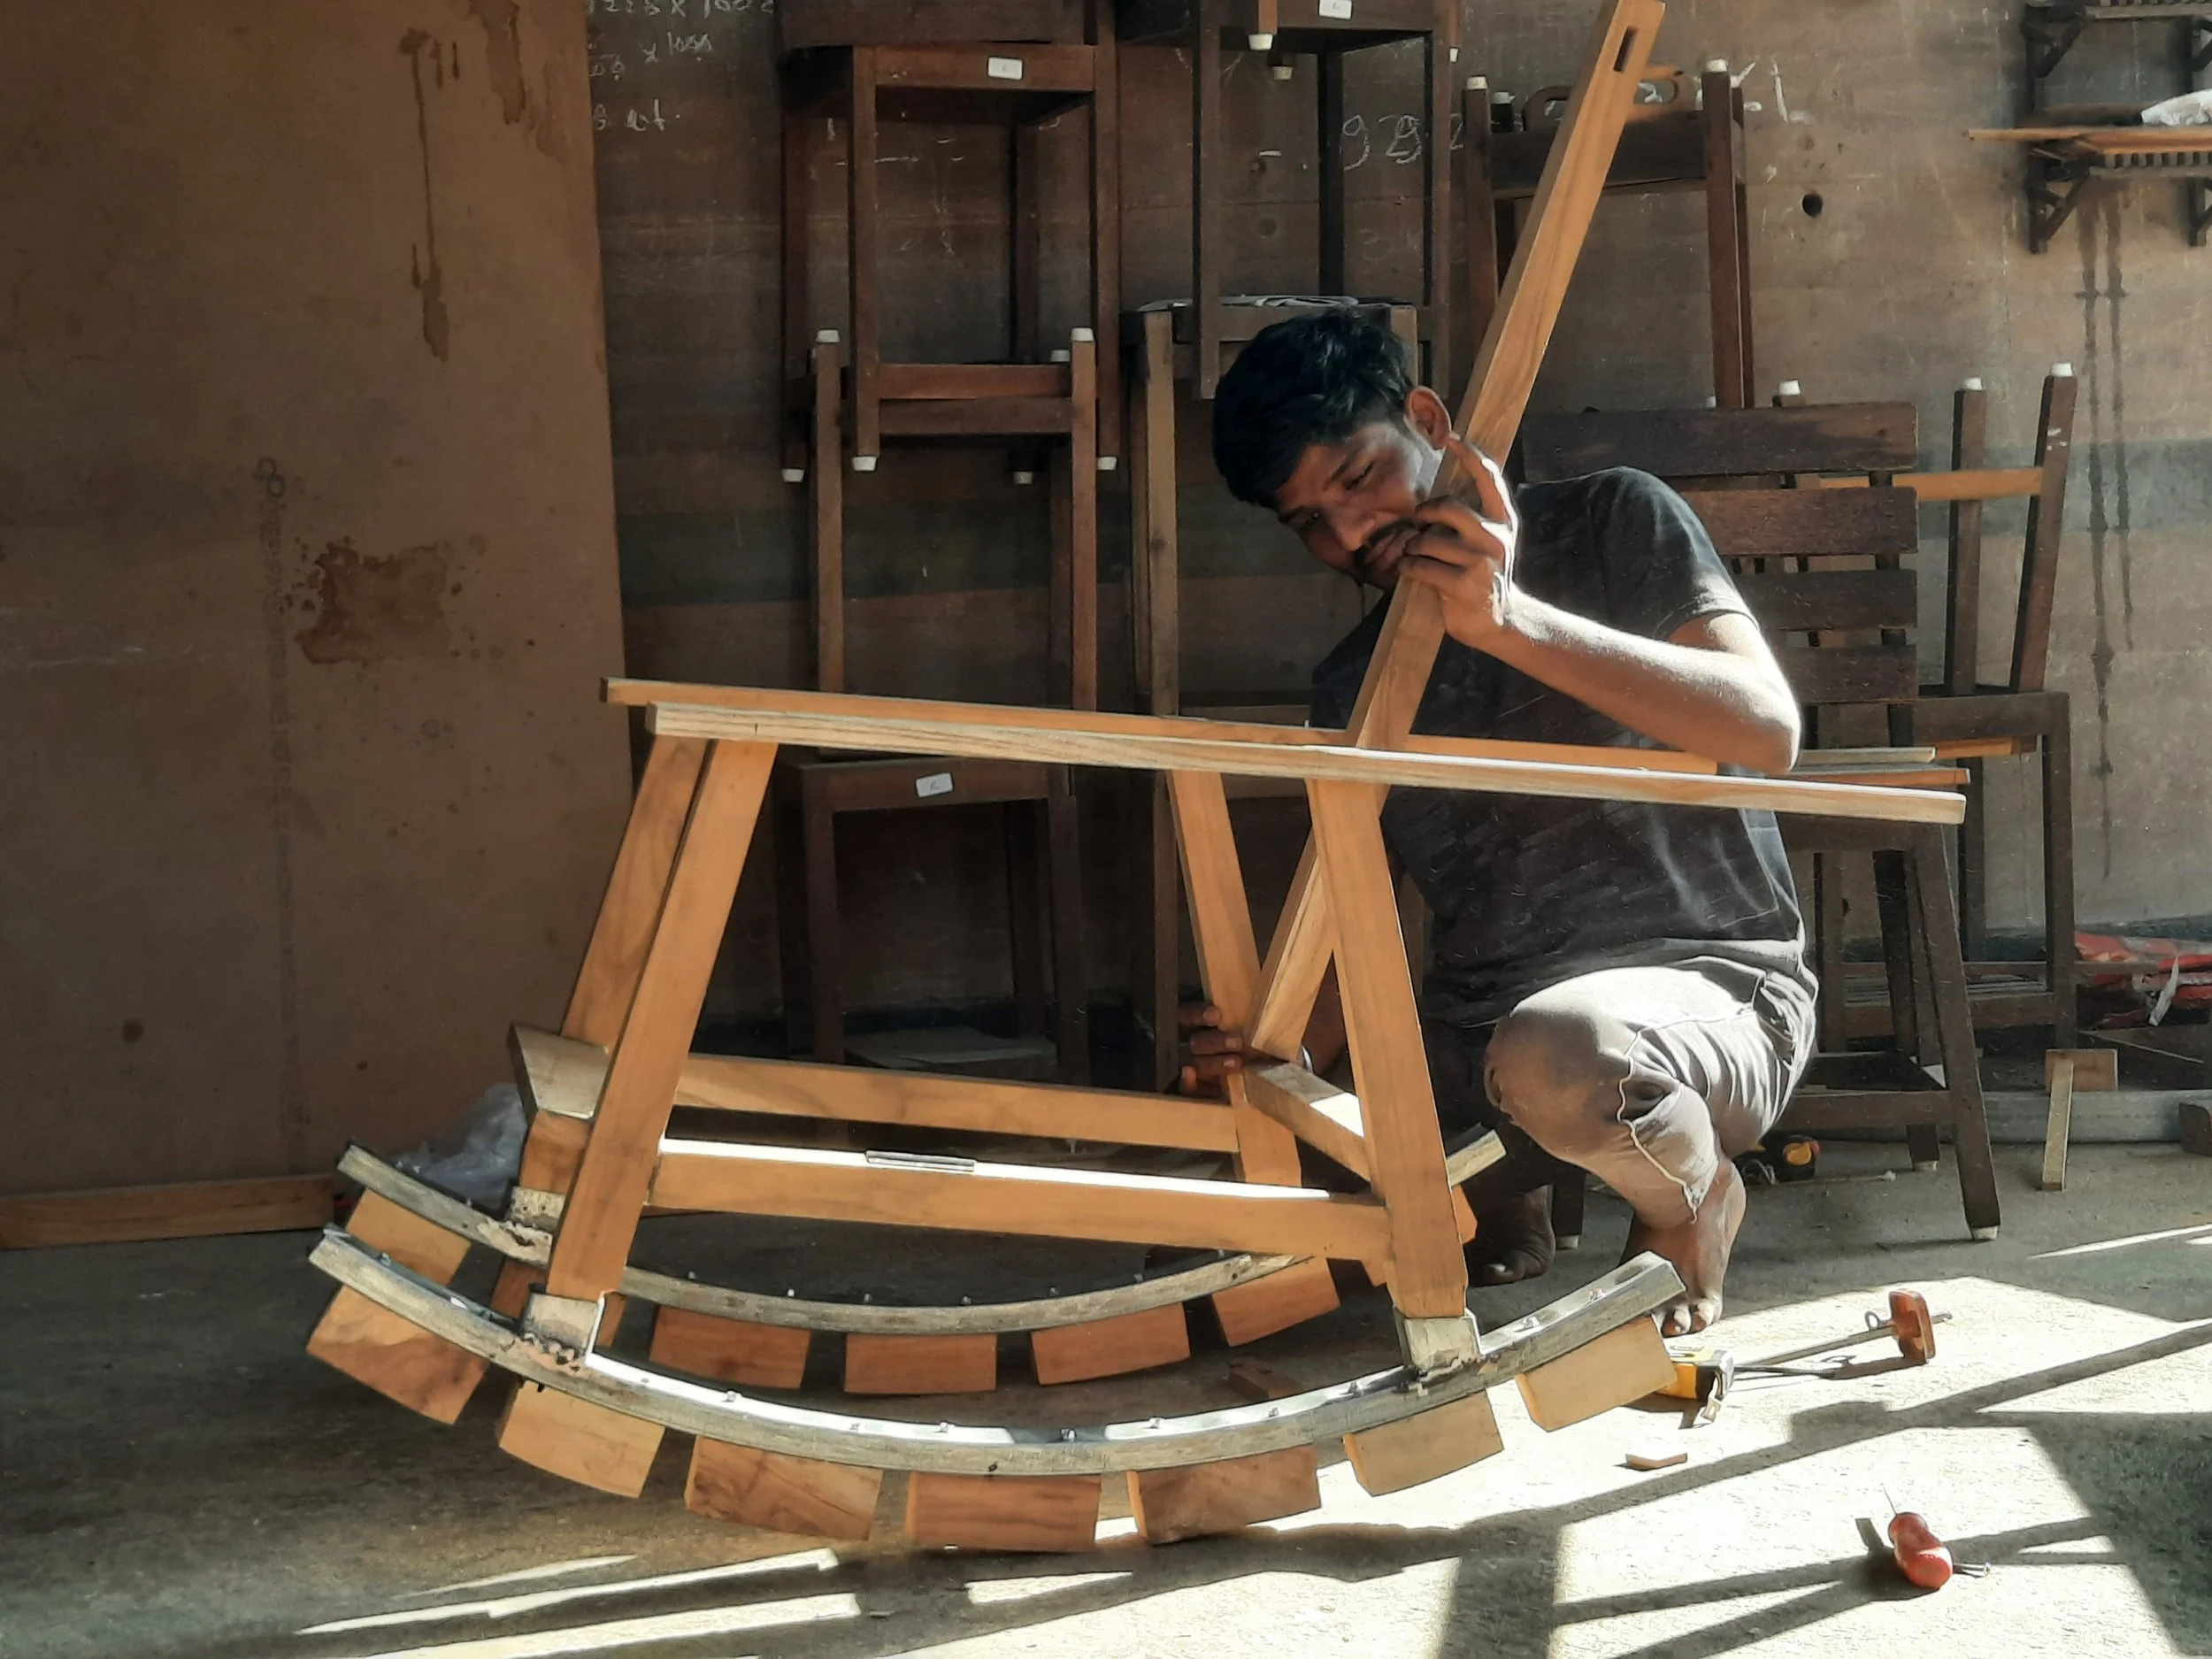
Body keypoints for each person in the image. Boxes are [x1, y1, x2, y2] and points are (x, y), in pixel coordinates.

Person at [1185, 310, 1817, 1335]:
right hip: (1479, 1047)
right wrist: (1271, 1041)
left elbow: (1765, 726)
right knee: (1253, 1180)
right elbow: (1355, 913)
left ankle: (1693, 1199)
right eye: (1308, 521)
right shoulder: (1357, 680)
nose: (1347, 537)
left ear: (1427, 419)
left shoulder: (1614, 521)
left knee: (1560, 1055)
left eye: (1355, 479)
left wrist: (1511, 622)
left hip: (1705, 998)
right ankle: (1496, 1193)